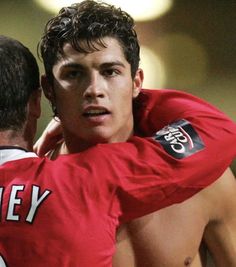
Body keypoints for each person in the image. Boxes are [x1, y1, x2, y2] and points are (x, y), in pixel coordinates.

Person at [36, 0, 236, 266]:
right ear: (49, 89)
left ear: (136, 82)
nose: (94, 90)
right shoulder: (31, 195)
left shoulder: (206, 179)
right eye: (74, 74)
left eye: (110, 72)